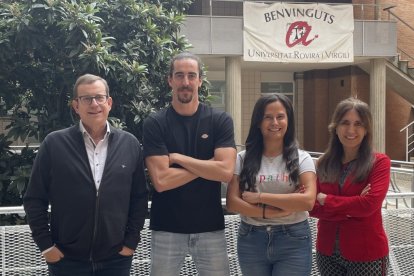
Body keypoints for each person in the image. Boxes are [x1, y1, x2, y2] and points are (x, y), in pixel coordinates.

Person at [23, 74, 148, 276]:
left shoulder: (130, 144)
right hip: (66, 260)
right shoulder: (54, 144)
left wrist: (131, 242)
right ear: (76, 106)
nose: (94, 104)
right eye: (86, 98)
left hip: (116, 259)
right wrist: (46, 247)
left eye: (99, 97)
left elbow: (139, 198)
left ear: (109, 103)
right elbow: (34, 198)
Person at [143, 52, 236, 276]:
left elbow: (225, 172)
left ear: (200, 80)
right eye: (180, 75)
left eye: (191, 76)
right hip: (166, 229)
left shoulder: (219, 121)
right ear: (170, 80)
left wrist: (177, 158)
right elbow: (162, 181)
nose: (186, 82)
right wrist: (209, 165)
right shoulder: (155, 123)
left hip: (210, 228)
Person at [226, 94, 316, 276]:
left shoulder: (302, 158)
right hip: (251, 239)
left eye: (280, 117)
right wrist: (277, 210)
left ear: (288, 121)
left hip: (293, 239)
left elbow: (307, 202)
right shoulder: (242, 158)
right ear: (258, 122)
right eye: (268, 117)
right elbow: (232, 202)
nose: (275, 122)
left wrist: (259, 197)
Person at [309, 97, 390, 275]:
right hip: (327, 252)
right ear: (335, 127)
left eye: (358, 124)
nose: (351, 130)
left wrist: (327, 200)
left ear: (366, 129)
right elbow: (310, 206)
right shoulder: (322, 163)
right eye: (345, 122)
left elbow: (369, 205)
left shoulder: (379, 163)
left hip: (366, 253)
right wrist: (354, 204)